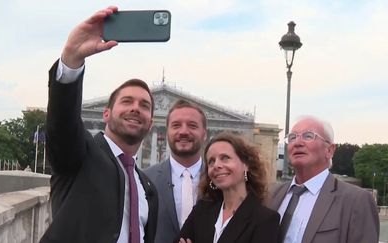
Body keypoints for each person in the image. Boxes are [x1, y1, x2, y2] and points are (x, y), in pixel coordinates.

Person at [40, 6, 158, 243]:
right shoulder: (81, 154)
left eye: (144, 105)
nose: (136, 108)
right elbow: (62, 125)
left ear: (151, 122)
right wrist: (72, 60)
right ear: (106, 114)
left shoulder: (147, 187)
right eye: (127, 101)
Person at [267, 115, 379, 243]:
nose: (297, 143)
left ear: (329, 150)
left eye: (308, 136)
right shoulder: (271, 194)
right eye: (292, 137)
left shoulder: (356, 201)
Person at [178, 132, 280, 243]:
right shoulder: (201, 210)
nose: (216, 165)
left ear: (245, 164)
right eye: (211, 161)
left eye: (225, 158)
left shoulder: (265, 220)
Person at [144, 99, 207, 243]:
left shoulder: (219, 181)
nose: (183, 132)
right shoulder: (145, 179)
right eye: (176, 125)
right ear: (167, 132)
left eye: (192, 125)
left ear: (204, 134)